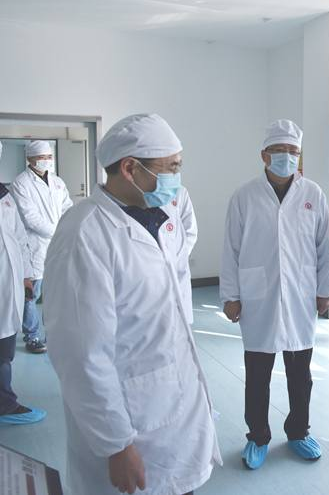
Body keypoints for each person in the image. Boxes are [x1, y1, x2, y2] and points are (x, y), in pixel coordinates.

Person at [44, 113, 221, 495]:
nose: (177, 177)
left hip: (174, 410)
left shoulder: (162, 214)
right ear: (130, 168)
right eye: (171, 167)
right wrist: (116, 444)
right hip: (131, 429)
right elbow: (81, 355)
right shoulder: (84, 234)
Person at [220, 119, 329, 470]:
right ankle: (258, 436)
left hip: (301, 295)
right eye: (279, 150)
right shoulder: (244, 196)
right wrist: (231, 295)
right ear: (264, 155)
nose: (287, 157)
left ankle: (298, 432)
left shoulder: (313, 194)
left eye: (293, 151)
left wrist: (325, 289)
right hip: (258, 297)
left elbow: (324, 246)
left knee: (301, 375)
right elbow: (230, 249)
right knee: (257, 374)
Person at [10, 139, 72, 353]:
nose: (46, 161)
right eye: (41, 157)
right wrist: (58, 232)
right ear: (30, 159)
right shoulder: (21, 183)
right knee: (32, 295)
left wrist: (66, 228)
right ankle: (32, 336)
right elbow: (30, 218)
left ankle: (53, 334)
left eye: (49, 157)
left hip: (57, 245)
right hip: (34, 246)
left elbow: (67, 207)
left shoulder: (57, 181)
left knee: (55, 294)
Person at [0, 141, 46, 426]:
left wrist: (27, 275)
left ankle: (5, 402)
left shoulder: (4, 195)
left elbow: (18, 237)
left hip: (9, 282)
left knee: (4, 348)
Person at [161, 186, 198, 323]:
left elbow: (190, 231)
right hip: (146, 277)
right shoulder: (135, 193)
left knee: (179, 324)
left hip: (176, 271)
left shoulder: (180, 192)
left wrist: (177, 258)